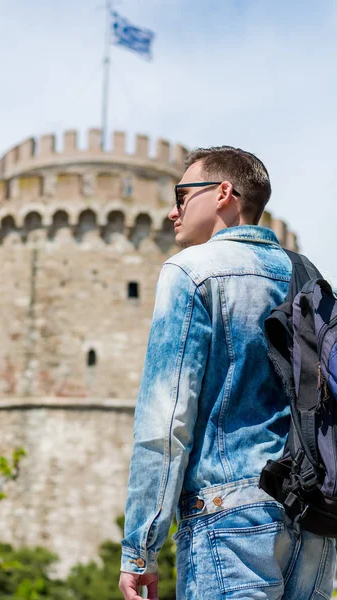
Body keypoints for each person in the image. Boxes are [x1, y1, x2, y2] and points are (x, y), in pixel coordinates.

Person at [119, 146, 336, 600]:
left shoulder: (192, 272)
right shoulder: (309, 277)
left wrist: (140, 549)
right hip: (315, 521)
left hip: (229, 518)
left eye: (182, 195)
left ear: (223, 193)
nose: (173, 211)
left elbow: (165, 423)